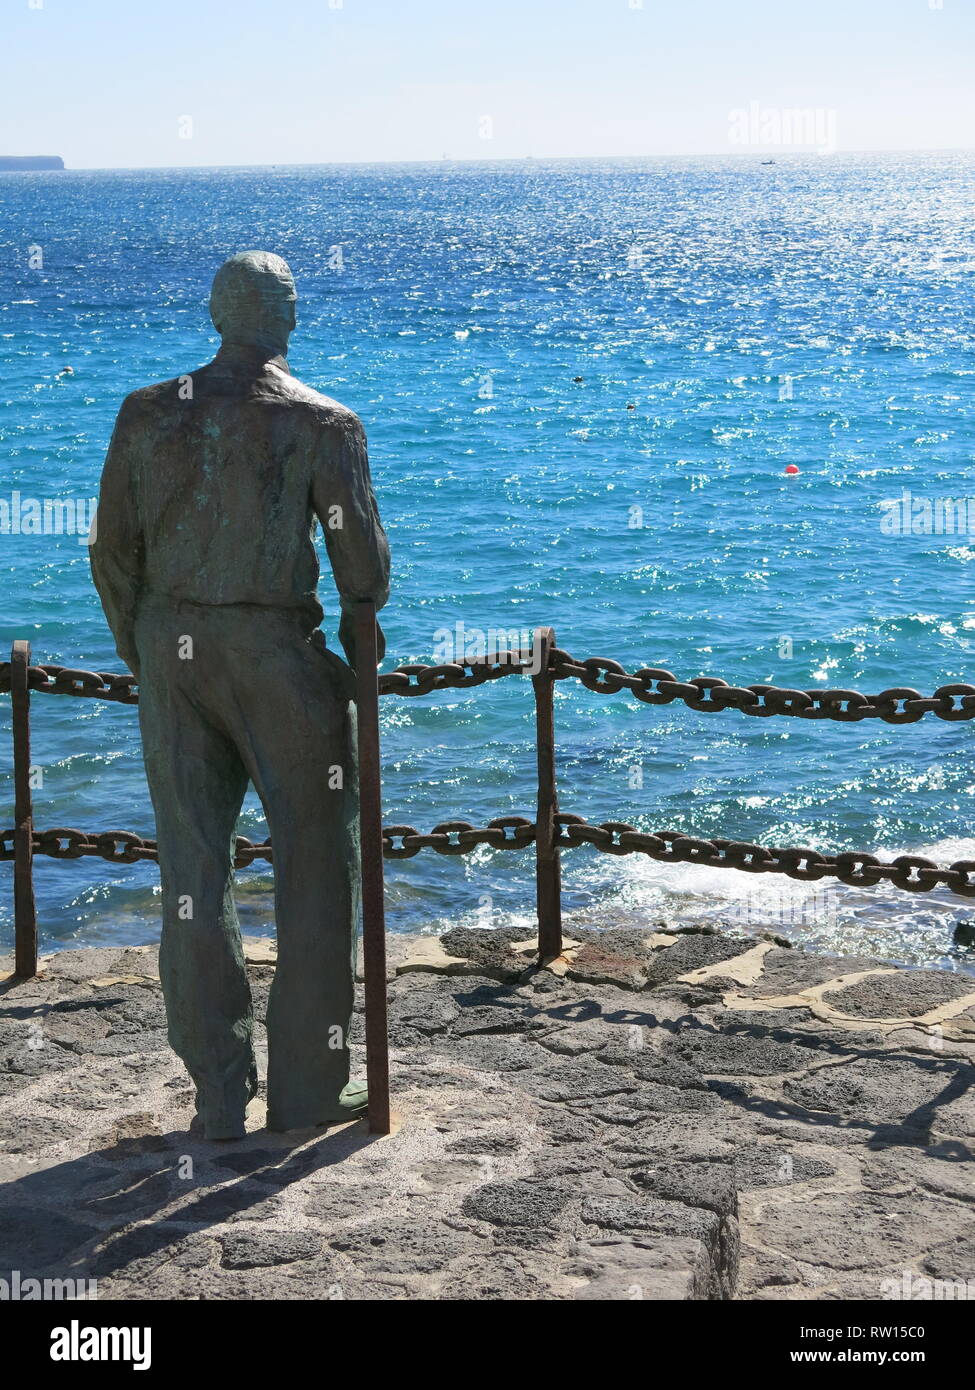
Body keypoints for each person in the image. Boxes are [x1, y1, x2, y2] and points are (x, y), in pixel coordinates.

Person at [91, 251, 390, 1139]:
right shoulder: (322, 424)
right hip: (273, 652)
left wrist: (145, 658)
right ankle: (305, 1087)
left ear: (218, 315)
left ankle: (218, 1094)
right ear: (286, 318)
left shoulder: (147, 413)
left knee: (191, 871)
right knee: (315, 859)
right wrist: (359, 626)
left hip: (170, 647)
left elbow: (113, 548)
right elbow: (359, 564)